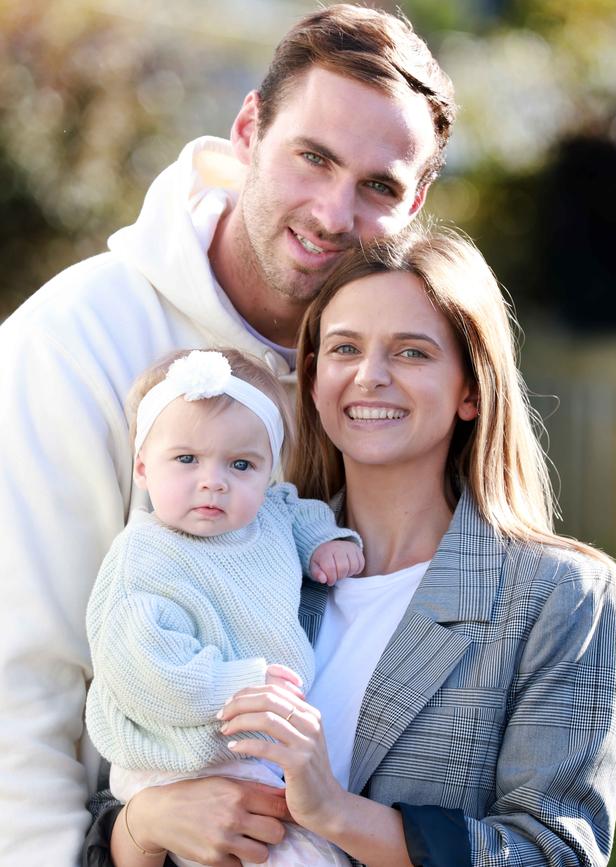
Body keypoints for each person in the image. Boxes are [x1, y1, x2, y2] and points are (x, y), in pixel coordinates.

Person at [0, 5, 456, 862]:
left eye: (378, 185)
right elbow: (22, 680)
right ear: (248, 130)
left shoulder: (394, 376)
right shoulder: (72, 343)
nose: (331, 212)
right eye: (313, 157)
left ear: (416, 201)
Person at [92, 227, 616, 866]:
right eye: (344, 348)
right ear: (312, 379)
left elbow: (555, 855)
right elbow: (141, 759)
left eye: (411, 352)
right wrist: (145, 823)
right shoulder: (235, 550)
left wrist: (334, 810)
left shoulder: (559, 597)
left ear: (471, 389)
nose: (370, 376)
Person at [86, 347, 361, 867]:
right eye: (186, 459)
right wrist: (238, 685)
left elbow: (298, 513)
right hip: (179, 757)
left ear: (267, 470)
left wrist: (326, 542)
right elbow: (144, 671)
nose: (213, 480)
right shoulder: (143, 559)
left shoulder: (270, 515)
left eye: (241, 464)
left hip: (252, 748)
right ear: (144, 465)